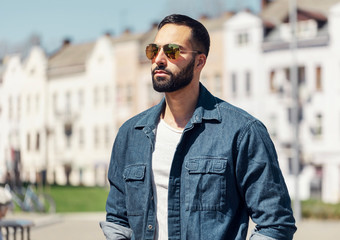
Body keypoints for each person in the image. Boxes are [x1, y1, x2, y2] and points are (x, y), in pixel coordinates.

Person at [100, 14, 296, 240]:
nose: (159, 59)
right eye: (154, 51)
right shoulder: (130, 134)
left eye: (172, 51)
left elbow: (276, 223)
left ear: (199, 61)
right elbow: (118, 220)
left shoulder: (242, 132)